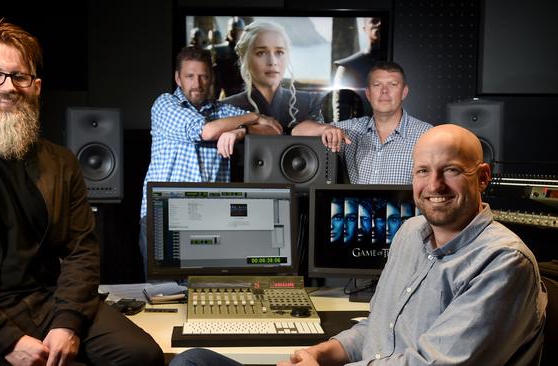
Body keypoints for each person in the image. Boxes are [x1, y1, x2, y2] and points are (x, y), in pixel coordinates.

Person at [168, 124, 548, 366]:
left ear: (482, 178)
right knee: (194, 361)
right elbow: (379, 330)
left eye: (450, 170)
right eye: (422, 171)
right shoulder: (410, 234)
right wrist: (322, 352)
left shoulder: (502, 262)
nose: (434, 186)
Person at [0, 19, 164, 366]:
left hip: (46, 302)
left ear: (36, 86)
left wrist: (67, 322)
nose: (7, 87)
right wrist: (7, 340)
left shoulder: (62, 162)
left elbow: (81, 253)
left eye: (19, 76)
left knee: (141, 355)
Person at [138, 46, 281, 279]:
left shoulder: (223, 111)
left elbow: (274, 130)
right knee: (163, 299)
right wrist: (253, 117)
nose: (197, 83)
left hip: (210, 220)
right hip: (164, 216)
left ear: (211, 78)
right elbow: (206, 131)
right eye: (190, 76)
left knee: (208, 293)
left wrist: (240, 132)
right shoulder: (165, 104)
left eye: (203, 76)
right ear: (178, 78)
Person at [293, 61, 433, 184]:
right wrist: (324, 129)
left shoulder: (425, 135)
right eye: (377, 85)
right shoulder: (351, 130)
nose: (384, 91)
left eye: (393, 84)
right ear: (368, 94)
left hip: (403, 214)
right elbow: (297, 131)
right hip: (358, 213)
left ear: (404, 92)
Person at [222, 20, 325, 134]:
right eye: (261, 53)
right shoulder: (227, 108)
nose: (272, 62)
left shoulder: (309, 102)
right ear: (244, 59)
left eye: (279, 52)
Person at [211, 16, 246, 99]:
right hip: (227, 94)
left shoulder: (248, 50)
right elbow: (216, 80)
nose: (236, 33)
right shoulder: (219, 50)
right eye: (234, 30)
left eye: (239, 31)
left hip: (245, 94)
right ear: (229, 31)